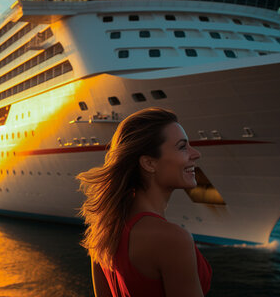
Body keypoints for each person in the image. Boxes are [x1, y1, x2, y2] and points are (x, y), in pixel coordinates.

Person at [77, 107, 211, 296]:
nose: (196, 153)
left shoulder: (104, 231)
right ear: (149, 163)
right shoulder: (173, 239)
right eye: (182, 147)